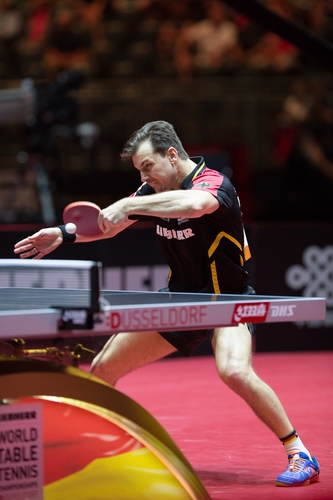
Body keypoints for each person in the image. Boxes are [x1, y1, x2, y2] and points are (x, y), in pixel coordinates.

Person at [14, 120, 320, 487]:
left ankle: (300, 452)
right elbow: (107, 224)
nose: (145, 176)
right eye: (140, 171)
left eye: (148, 166)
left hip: (228, 302)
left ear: (172, 155)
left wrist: (131, 203)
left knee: (235, 372)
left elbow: (193, 204)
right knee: (101, 370)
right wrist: (63, 235)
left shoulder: (214, 185)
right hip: (179, 302)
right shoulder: (150, 190)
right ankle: (81, 447)